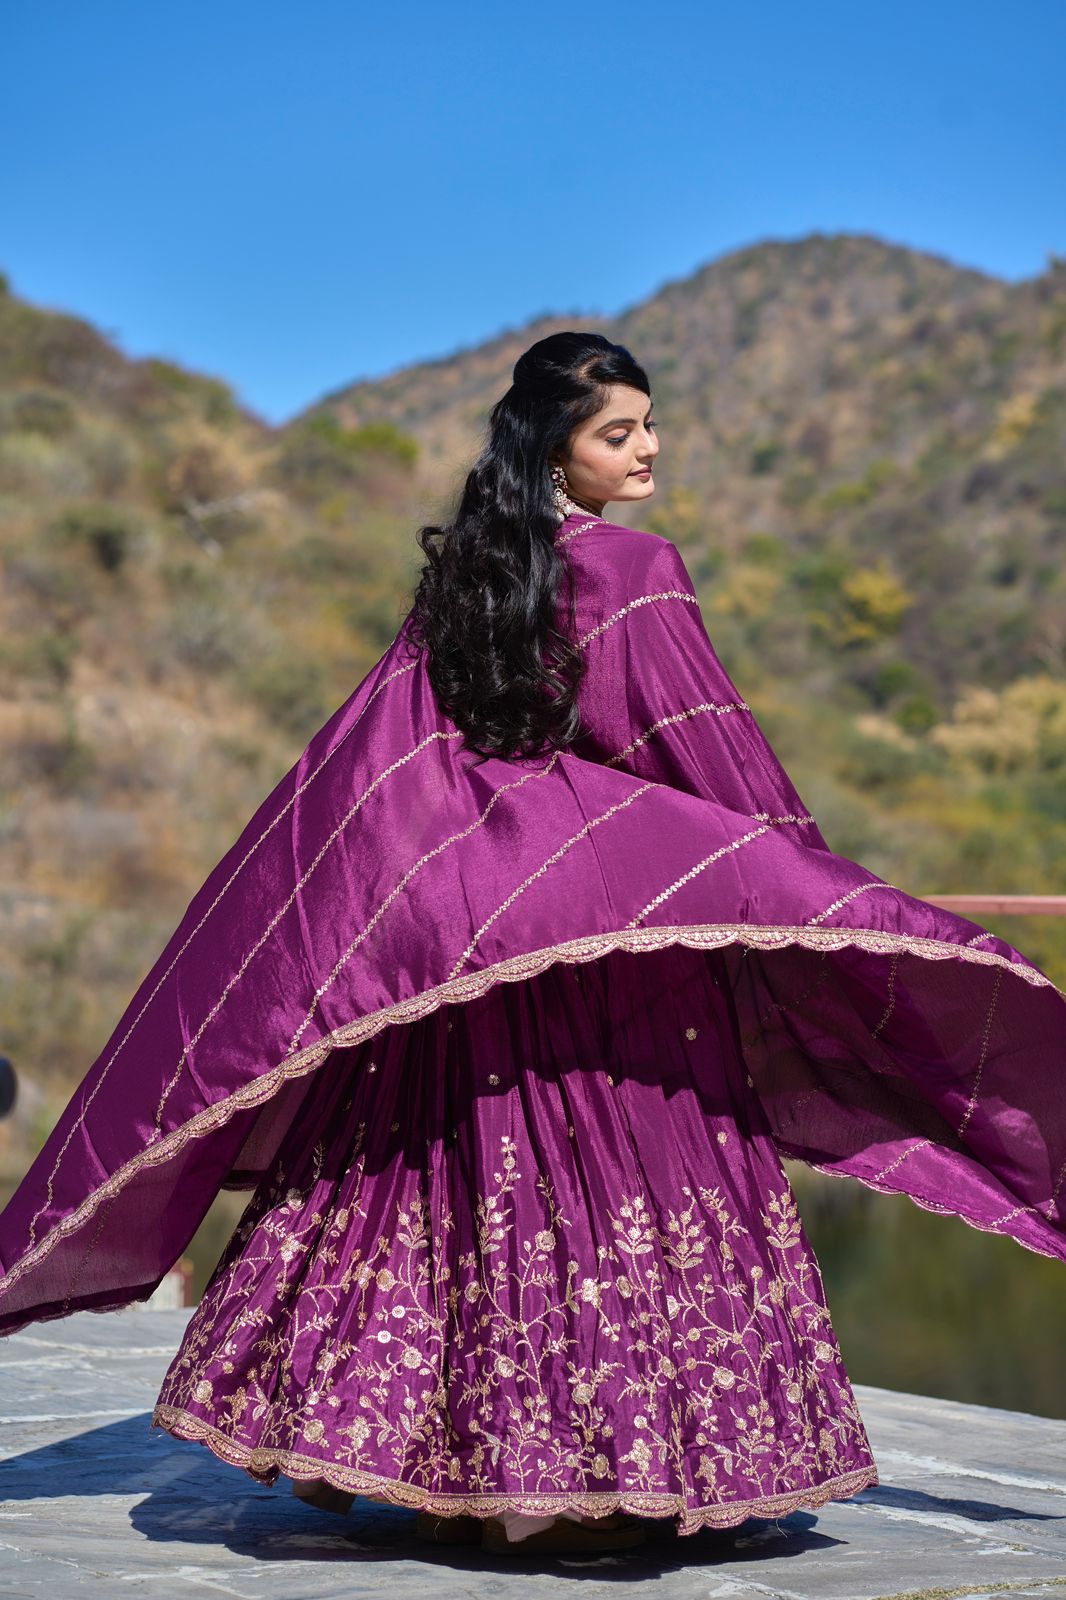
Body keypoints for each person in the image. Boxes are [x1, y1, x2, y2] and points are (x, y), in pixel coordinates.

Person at [0, 332, 1063, 1561]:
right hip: (610, 961)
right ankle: (587, 1479)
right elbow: (698, 750)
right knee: (614, 1182)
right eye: (620, 431)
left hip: (468, 952)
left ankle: (464, 1471)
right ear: (555, 448)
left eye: (648, 423)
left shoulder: (468, 576)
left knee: (457, 1182)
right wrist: (794, 882)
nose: (650, 447)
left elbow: (380, 766)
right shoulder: (636, 569)